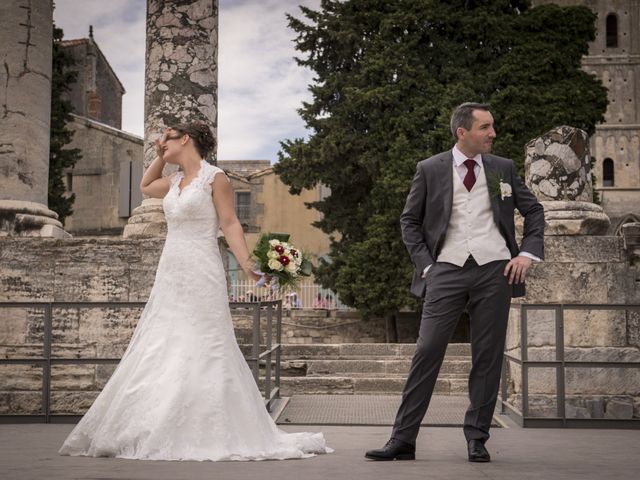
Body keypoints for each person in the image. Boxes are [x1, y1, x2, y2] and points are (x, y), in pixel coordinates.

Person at [59, 121, 330, 461]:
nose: (161, 142)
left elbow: (230, 223)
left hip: (202, 269)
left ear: (184, 139)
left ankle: (209, 427)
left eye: (166, 138)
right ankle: (158, 420)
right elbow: (145, 186)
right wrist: (158, 155)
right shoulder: (173, 181)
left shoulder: (215, 178)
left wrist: (247, 264)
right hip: (171, 271)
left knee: (206, 342)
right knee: (163, 341)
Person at [365, 103, 544, 463]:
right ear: (462, 132)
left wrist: (526, 254)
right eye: (485, 127)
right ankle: (402, 439)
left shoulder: (502, 169)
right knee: (427, 351)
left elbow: (534, 211)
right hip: (445, 270)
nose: (493, 133)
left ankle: (477, 438)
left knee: (488, 357)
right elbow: (409, 221)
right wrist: (427, 267)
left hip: (494, 270)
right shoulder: (429, 169)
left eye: (492, 127)